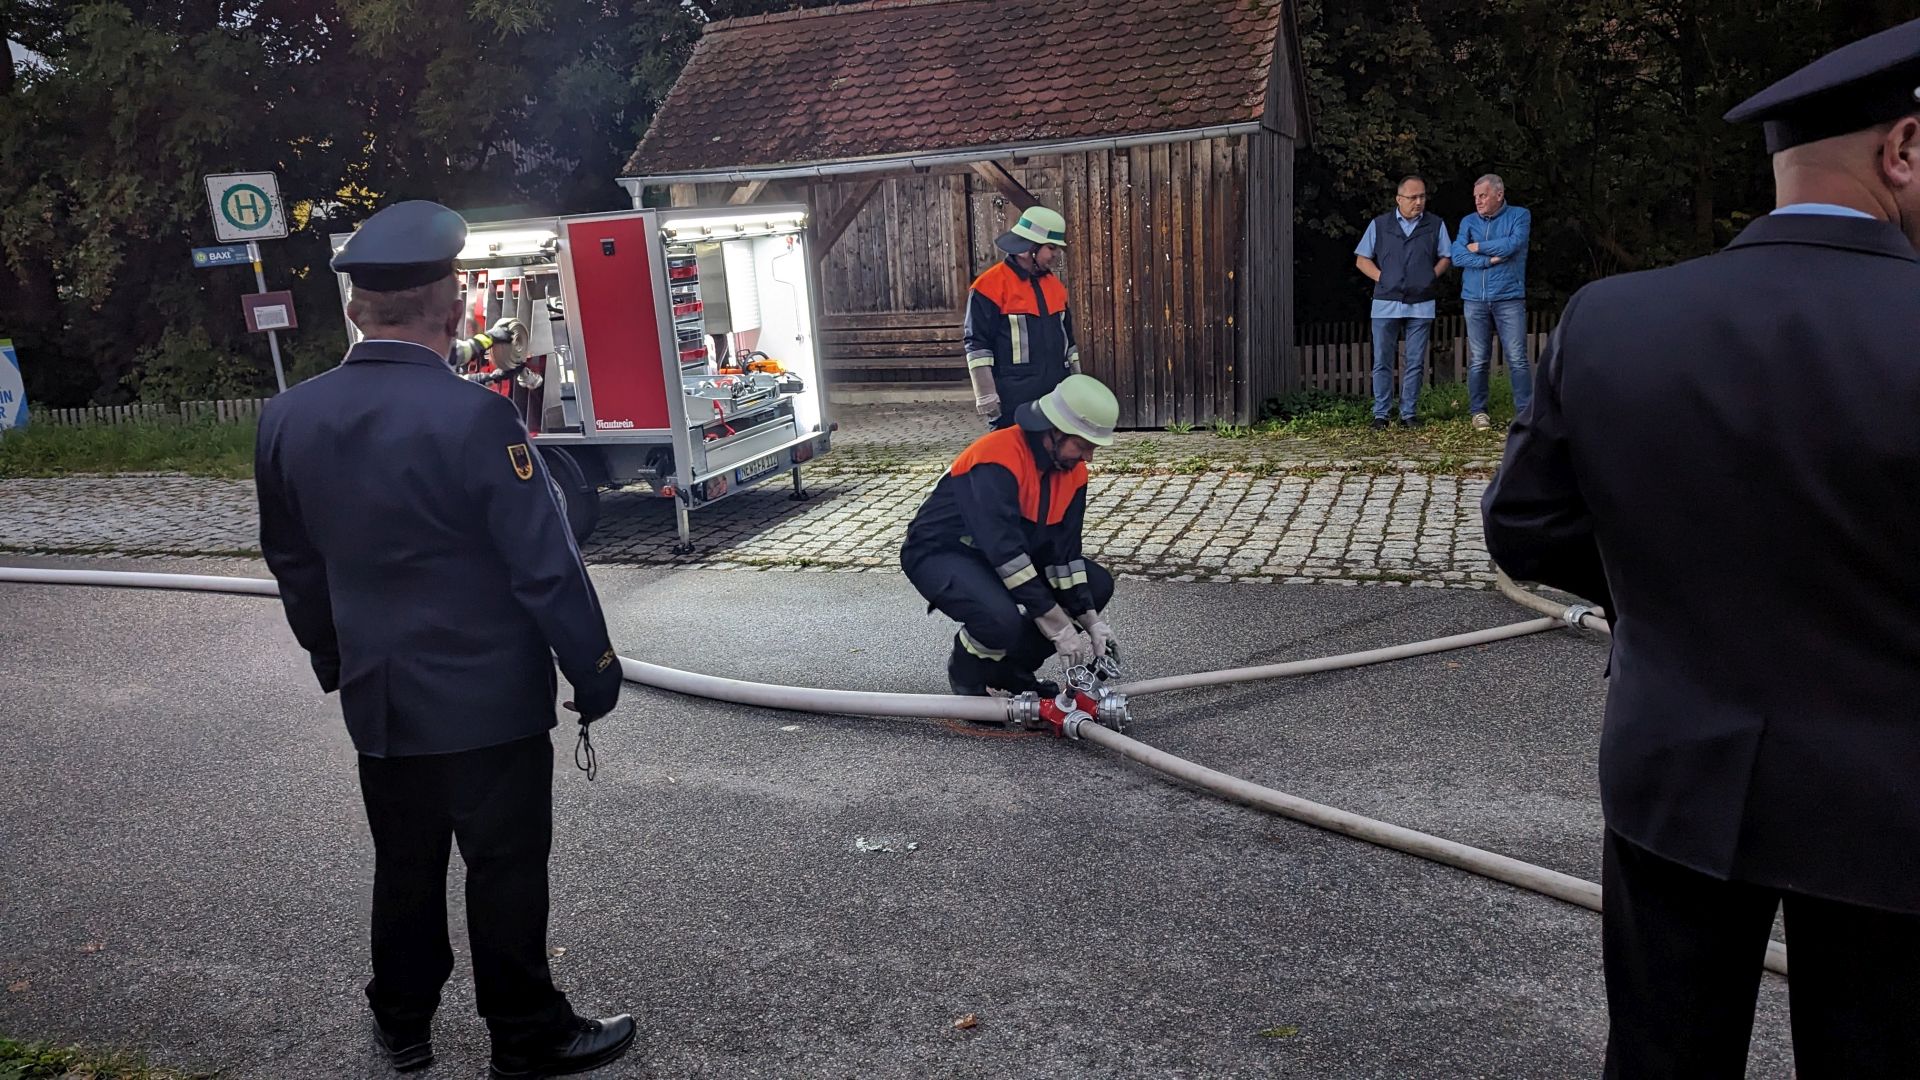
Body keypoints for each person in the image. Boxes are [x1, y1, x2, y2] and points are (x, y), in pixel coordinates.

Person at [1481, 18, 1920, 1076]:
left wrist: (1667, 600)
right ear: (1903, 149)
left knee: (1664, 1055)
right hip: (1893, 800)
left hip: (1676, 771)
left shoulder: (1613, 317)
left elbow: (1524, 526)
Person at [255, 200, 635, 1078]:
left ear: (355, 309)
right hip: (489, 701)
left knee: (406, 865)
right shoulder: (478, 418)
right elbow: (547, 567)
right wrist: (595, 668)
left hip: (380, 697)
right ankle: (526, 1034)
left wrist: (336, 661)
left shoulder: (286, 418)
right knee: (503, 868)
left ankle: (402, 1022)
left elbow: (294, 564)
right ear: (454, 304)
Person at [902, 373, 1118, 699]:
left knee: (1097, 583)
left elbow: (1064, 556)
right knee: (1000, 619)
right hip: (940, 553)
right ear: (1053, 430)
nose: (1088, 457)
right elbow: (1006, 554)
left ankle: (1011, 669)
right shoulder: (996, 459)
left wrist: (1089, 620)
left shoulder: (1071, 473)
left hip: (1005, 556)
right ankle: (966, 673)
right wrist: (1058, 627)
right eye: (1082, 445)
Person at [964, 205, 1080, 429]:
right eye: (1051, 247)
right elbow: (977, 346)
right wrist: (986, 396)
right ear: (1030, 247)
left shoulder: (1055, 287)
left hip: (1054, 396)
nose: (1055, 255)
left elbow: (1070, 344)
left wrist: (1075, 385)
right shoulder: (989, 286)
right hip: (1013, 401)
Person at [1354, 175, 1451, 428]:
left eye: (1422, 196)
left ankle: (1409, 413)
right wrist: (1382, 277)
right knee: (1382, 360)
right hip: (1385, 301)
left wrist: (1432, 275)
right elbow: (1362, 259)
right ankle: (1381, 414)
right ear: (1399, 199)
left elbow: (1446, 256)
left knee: (1415, 360)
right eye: (1413, 197)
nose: (1418, 202)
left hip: (1421, 302)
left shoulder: (1435, 224)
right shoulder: (1380, 225)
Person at [1449, 174, 1532, 429]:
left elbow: (1512, 245)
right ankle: (1478, 412)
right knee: (1478, 358)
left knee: (1517, 357)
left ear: (1499, 194)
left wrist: (1477, 247)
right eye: (1475, 197)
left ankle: (1525, 414)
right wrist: (1487, 260)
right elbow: (1456, 255)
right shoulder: (1468, 221)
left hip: (1509, 297)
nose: (1478, 201)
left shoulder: (1519, 215)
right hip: (1474, 299)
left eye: (1483, 196)